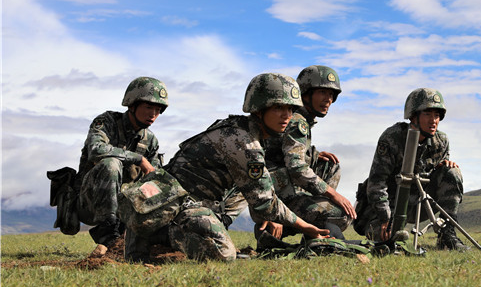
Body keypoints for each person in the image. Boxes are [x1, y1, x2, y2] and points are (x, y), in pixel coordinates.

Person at [151, 73, 329, 262]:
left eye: (291, 109)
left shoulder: (245, 131)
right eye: (278, 107)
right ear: (260, 109)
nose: (287, 115)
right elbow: (265, 202)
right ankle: (159, 236)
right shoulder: (244, 142)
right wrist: (306, 227)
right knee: (224, 254)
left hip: (194, 201)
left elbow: (259, 192)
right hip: (174, 207)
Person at [354, 88, 469, 251]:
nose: (433, 120)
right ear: (413, 116)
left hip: (421, 203)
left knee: (453, 172)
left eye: (437, 115)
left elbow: (441, 172)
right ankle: (387, 227)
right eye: (428, 114)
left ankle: (447, 235)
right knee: (387, 242)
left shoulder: (441, 141)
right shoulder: (392, 138)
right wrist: (385, 217)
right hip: (391, 204)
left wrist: (446, 168)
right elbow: (377, 182)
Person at [77, 76, 168, 257]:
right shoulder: (106, 122)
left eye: (158, 110)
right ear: (132, 105)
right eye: (149, 107)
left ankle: (132, 238)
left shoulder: (150, 140)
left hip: (126, 205)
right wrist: (138, 159)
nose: (153, 115)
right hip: (90, 200)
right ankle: (108, 234)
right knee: (111, 163)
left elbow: (155, 177)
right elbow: (96, 150)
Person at [262, 65, 356, 239]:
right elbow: (296, 167)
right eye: (322, 92)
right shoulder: (297, 121)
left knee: (330, 166)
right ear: (305, 93)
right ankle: (283, 225)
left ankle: (304, 223)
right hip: (277, 191)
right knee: (342, 215)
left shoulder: (298, 118)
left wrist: (313, 154)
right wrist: (335, 195)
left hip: (281, 186)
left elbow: (285, 149)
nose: (328, 99)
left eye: (331, 95)